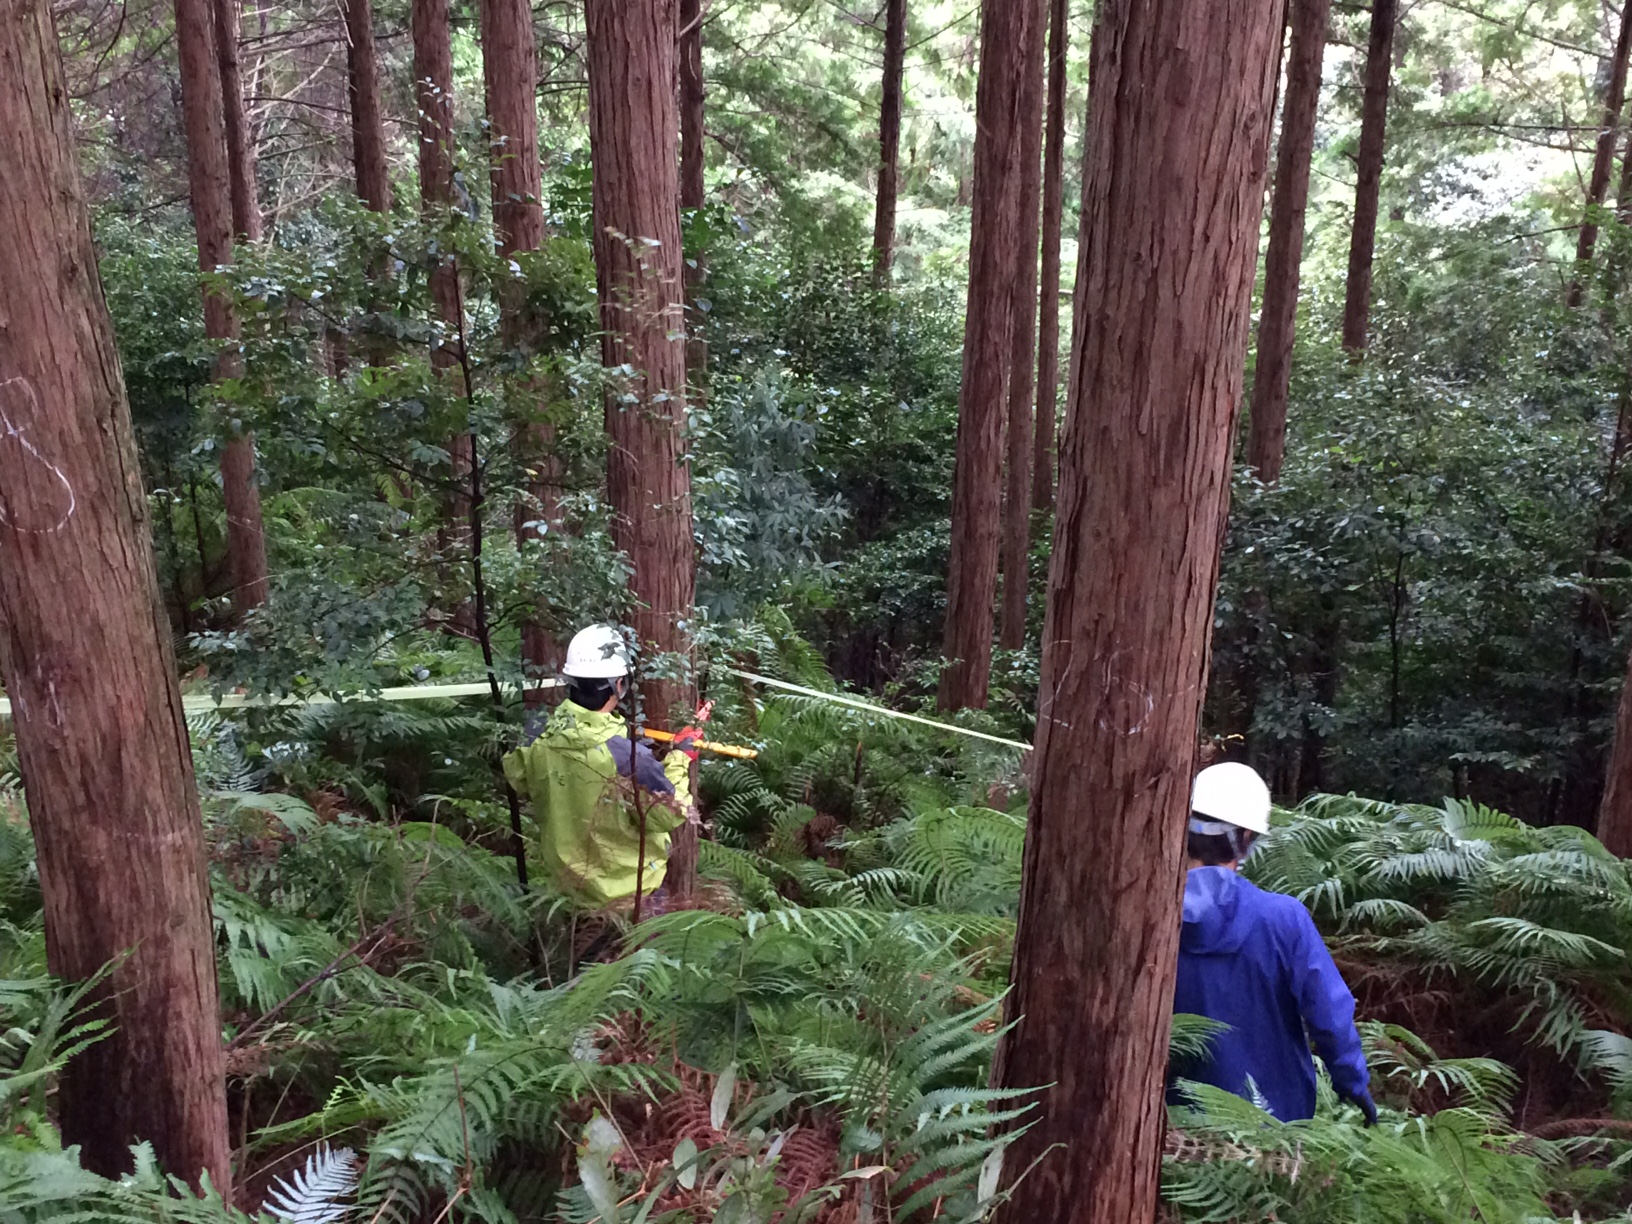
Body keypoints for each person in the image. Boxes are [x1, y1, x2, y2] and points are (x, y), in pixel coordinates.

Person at [1170, 762, 1377, 1125]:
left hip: (1169, 1128)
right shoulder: (1284, 919)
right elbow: (1330, 1018)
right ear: (1247, 836)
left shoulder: (1147, 920)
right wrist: (1355, 1088)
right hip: (1273, 1125)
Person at [502, 624, 700, 910]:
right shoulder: (627, 757)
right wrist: (680, 757)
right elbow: (670, 813)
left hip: (565, 894)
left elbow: (517, 775)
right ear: (619, 684)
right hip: (630, 898)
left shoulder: (539, 735)